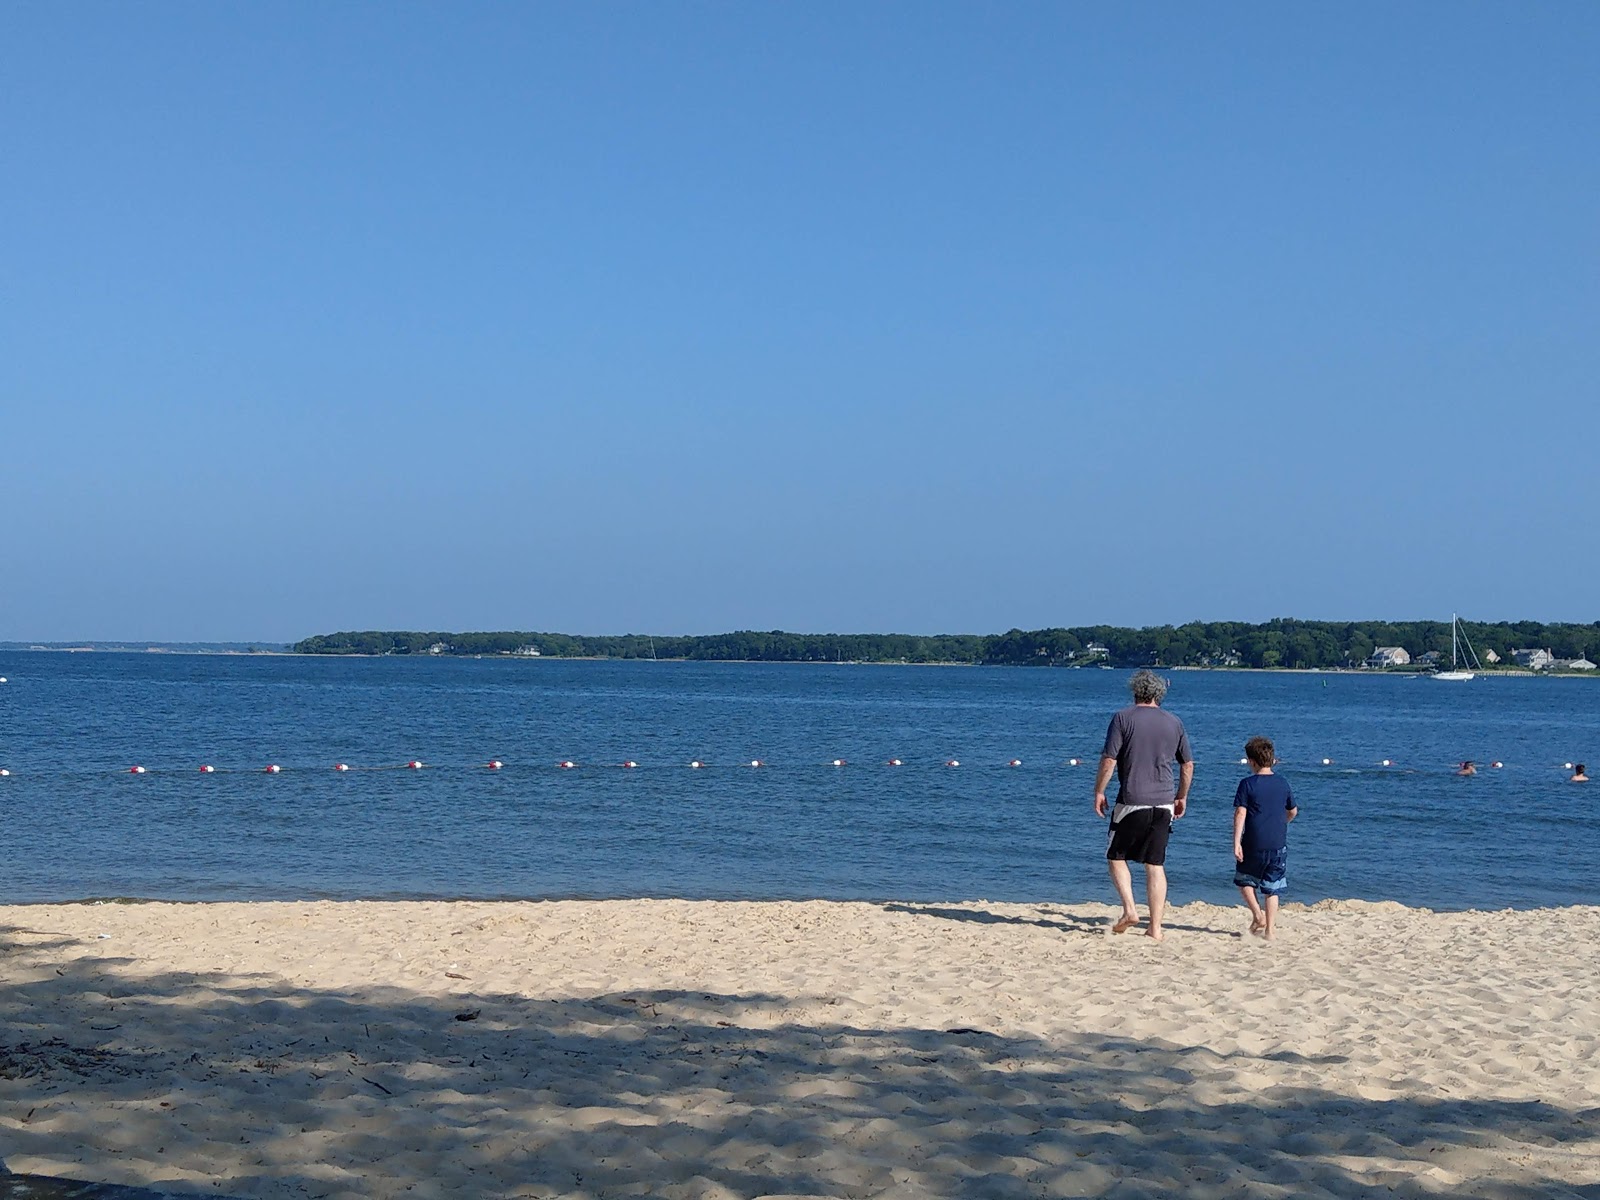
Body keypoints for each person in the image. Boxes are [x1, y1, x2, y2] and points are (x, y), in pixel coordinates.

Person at [1094, 669, 1193, 941]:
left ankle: (1129, 910)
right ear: (1159, 694)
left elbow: (1109, 760)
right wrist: (1181, 796)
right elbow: (1187, 764)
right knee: (1155, 864)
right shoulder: (1174, 722)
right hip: (1164, 802)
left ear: (1135, 690)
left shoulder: (1123, 718)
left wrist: (1099, 791)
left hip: (1132, 799)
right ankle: (1156, 929)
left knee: (1115, 856)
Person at [1233, 736, 1298, 940]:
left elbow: (1240, 813)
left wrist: (1236, 842)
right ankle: (1270, 930)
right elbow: (1293, 811)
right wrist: (1282, 823)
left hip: (1253, 842)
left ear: (1251, 761)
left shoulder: (1247, 784)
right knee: (1273, 887)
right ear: (1273, 759)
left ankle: (1257, 915)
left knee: (1244, 881)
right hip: (1278, 843)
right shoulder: (1283, 783)